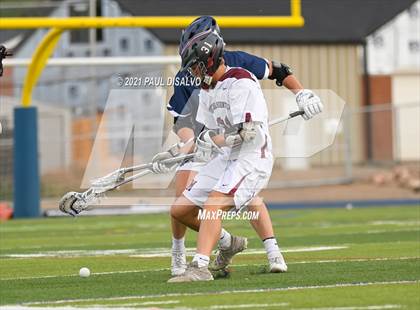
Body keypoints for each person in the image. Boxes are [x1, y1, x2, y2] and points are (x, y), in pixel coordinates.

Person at [151, 16, 323, 277]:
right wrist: (192, 144)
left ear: (209, 59)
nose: (191, 73)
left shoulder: (241, 80)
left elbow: (249, 133)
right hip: (226, 154)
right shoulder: (207, 88)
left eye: (196, 67)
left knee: (214, 203)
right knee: (180, 209)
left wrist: (301, 93)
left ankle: (199, 266)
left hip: (250, 156)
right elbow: (200, 128)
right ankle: (227, 243)